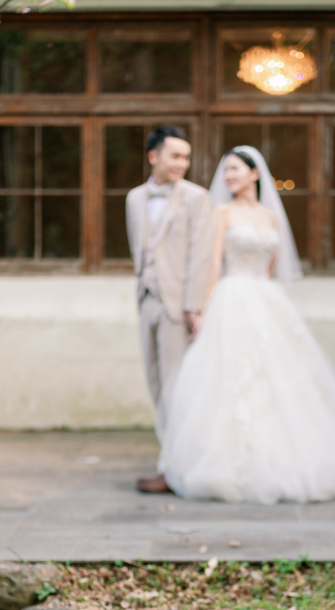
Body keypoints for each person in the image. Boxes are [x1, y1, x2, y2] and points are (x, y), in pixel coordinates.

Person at [158, 146, 335, 504]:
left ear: (254, 174)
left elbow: (275, 266)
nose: (229, 176)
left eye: (235, 169)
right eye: (225, 171)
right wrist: (201, 308)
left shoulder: (269, 216)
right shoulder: (221, 213)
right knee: (233, 379)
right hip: (232, 299)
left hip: (267, 298)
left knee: (288, 381)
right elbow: (213, 265)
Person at [125, 125, 212, 494]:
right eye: (175, 156)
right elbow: (138, 250)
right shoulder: (133, 198)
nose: (183, 164)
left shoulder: (196, 198)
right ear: (153, 156)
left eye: (186, 157)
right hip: (148, 302)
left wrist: (194, 305)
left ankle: (174, 467)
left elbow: (201, 255)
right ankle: (170, 458)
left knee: (177, 389)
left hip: (179, 306)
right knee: (156, 385)